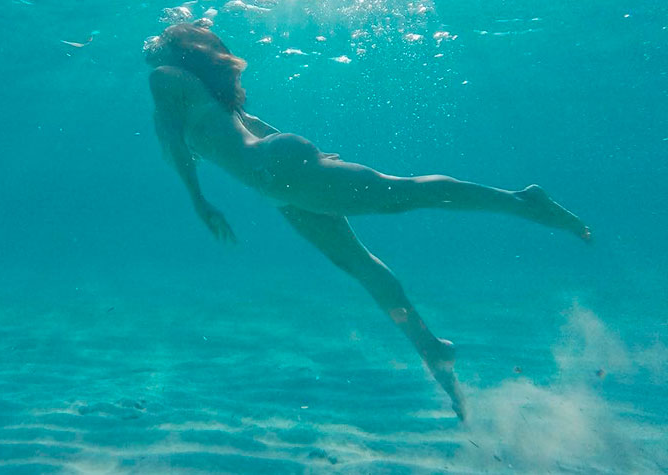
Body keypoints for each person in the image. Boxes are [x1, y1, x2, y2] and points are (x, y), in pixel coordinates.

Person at [143, 22, 591, 420]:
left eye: (161, 45)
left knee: (402, 195)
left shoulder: (166, 79)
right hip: (280, 181)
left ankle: (522, 200)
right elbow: (250, 133)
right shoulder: (211, 101)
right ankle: (432, 349)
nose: (152, 54)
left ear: (180, 52)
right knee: (359, 262)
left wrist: (200, 201)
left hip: (281, 176)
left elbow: (176, 147)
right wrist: (307, 162)